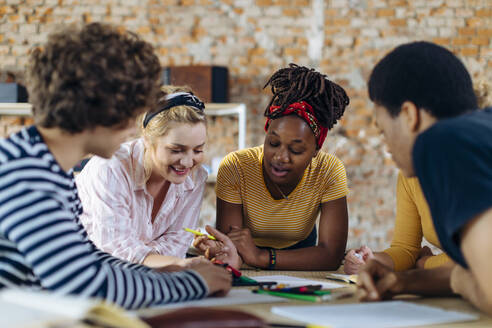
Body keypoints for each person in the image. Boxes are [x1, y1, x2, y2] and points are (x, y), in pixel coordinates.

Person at [0, 22, 231, 309]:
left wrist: (176, 269)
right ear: (99, 105)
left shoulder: (46, 166)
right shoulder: (27, 175)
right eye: (132, 103)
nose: (135, 119)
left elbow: (88, 260)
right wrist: (194, 283)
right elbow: (85, 286)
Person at [356, 41, 492, 315]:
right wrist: (404, 280)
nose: (387, 146)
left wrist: (462, 279)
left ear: (409, 115)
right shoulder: (482, 129)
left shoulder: (442, 141)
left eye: (383, 131)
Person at [195, 64, 350, 270]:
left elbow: (331, 255)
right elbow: (232, 247)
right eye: (273, 143)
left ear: (316, 149)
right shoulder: (237, 167)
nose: (280, 157)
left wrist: (261, 257)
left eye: (296, 150)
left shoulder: (329, 170)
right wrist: (223, 249)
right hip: (246, 255)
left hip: (302, 254)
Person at [344, 77, 492, 275]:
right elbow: (405, 249)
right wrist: (371, 260)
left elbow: (475, 258)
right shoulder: (412, 175)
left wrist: (424, 264)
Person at [76, 85, 208, 268]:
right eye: (176, 150)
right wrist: (178, 264)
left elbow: (178, 243)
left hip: (141, 277)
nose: (187, 162)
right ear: (147, 139)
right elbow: (114, 251)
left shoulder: (196, 176)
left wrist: (141, 253)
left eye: (198, 150)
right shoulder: (111, 167)